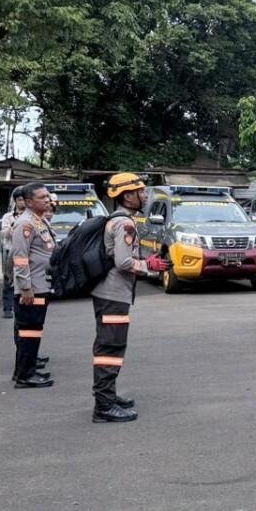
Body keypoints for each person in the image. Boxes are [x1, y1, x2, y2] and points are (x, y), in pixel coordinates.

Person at [90, 172, 167, 423]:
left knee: (110, 345)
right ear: (127, 195)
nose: (145, 195)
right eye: (141, 191)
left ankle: (108, 398)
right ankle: (104, 406)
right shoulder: (125, 224)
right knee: (110, 348)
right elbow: (123, 262)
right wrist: (149, 265)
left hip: (109, 293)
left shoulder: (118, 220)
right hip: (113, 294)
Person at [9, 182, 55, 388]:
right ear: (28, 202)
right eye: (41, 197)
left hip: (40, 284)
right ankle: (24, 376)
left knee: (34, 331)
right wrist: (25, 287)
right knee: (28, 332)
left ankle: (27, 370)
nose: (47, 200)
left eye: (47, 196)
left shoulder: (39, 221)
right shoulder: (25, 224)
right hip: (32, 288)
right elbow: (19, 258)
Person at [0, 187, 26, 319]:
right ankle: (7, 308)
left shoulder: (31, 216)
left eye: (25, 200)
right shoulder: (8, 217)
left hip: (25, 253)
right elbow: (5, 234)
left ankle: (20, 306)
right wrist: (16, 225)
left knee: (23, 279)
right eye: (20, 200)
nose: (23, 203)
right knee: (8, 279)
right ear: (15, 201)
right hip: (9, 251)